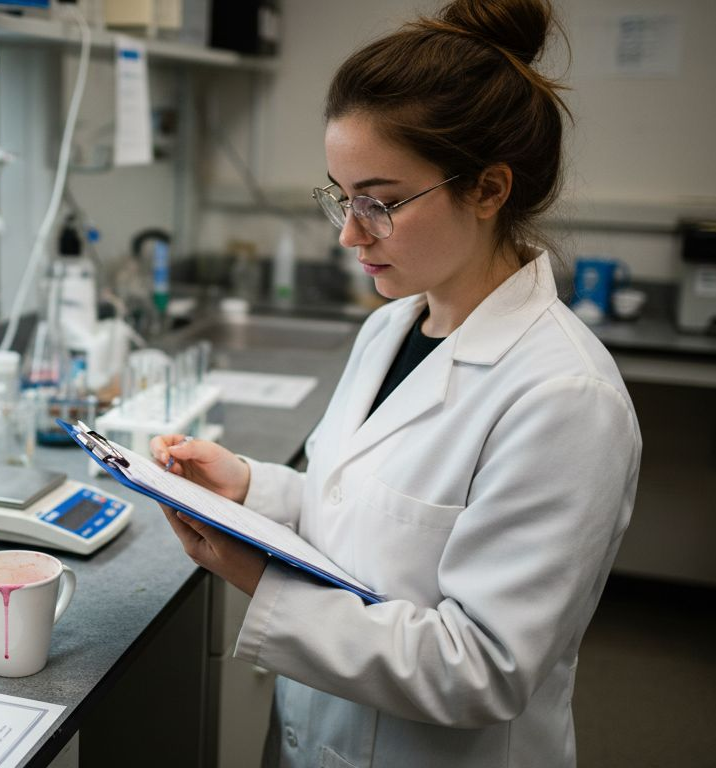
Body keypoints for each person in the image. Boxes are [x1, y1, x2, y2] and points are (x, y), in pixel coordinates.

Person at [150, 1, 642, 765]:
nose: (349, 233)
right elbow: (359, 519)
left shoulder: (565, 399)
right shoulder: (393, 326)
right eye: (341, 197)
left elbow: (483, 670)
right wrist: (253, 488)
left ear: (488, 190)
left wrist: (257, 578)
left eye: (378, 202)